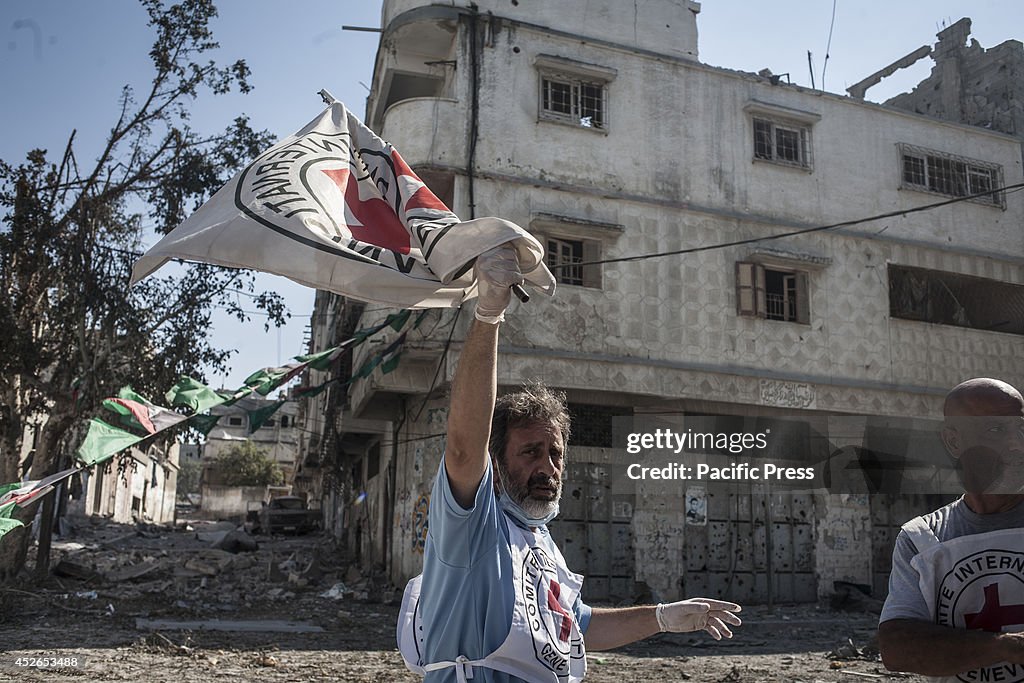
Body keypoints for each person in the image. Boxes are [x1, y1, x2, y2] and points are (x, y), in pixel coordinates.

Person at [397, 244, 743, 682]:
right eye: (530, 452)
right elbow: (465, 448)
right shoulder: (473, 527)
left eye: (555, 453)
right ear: (497, 467)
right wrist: (488, 315)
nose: (548, 467)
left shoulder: (541, 545)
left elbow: (578, 626)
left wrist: (662, 617)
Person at [878, 378, 1024, 681]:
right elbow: (897, 648)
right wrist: (1009, 647)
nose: (1017, 443)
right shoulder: (921, 539)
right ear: (953, 441)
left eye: (1021, 428)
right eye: (996, 430)